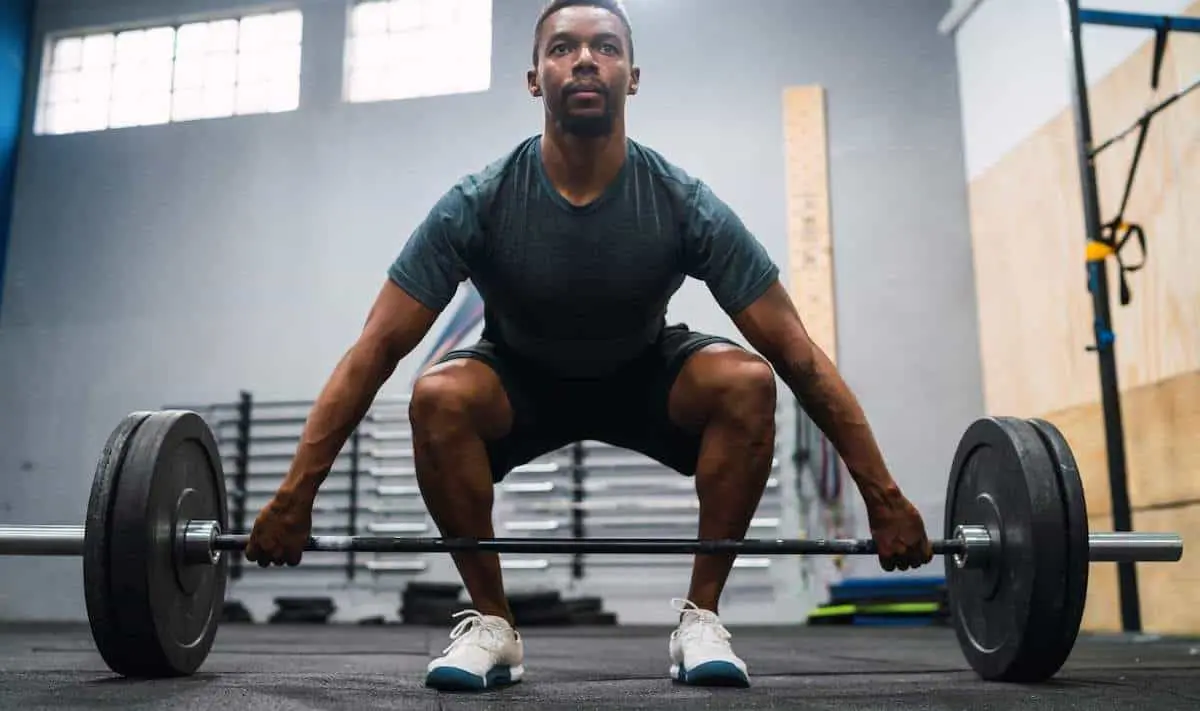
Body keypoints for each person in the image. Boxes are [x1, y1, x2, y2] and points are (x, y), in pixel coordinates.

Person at [245, 0, 933, 692]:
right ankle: (493, 624)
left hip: (643, 377)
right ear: (533, 78)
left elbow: (797, 354)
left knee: (748, 380)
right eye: (562, 48)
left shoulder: (681, 202)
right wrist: (294, 495)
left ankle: (702, 617)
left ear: (632, 77)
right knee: (437, 396)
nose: (583, 60)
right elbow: (374, 349)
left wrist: (884, 496)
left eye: (604, 47)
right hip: (519, 384)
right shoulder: (479, 202)